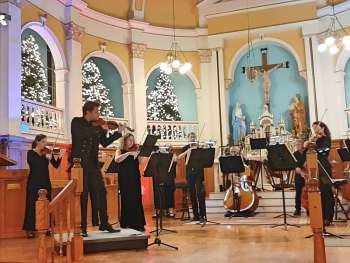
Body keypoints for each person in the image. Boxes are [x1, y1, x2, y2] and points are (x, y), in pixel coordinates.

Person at [71, 101, 124, 237]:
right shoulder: (76, 122)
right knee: (83, 196)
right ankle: (82, 227)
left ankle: (104, 223)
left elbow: (105, 142)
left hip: (93, 165)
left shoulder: (98, 126)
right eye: (96, 111)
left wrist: (117, 133)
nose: (98, 114)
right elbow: (82, 134)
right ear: (88, 112)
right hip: (79, 166)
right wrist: (102, 127)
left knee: (101, 192)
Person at [23, 134, 62, 238]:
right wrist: (44, 156)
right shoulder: (31, 153)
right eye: (44, 142)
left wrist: (58, 156)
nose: (45, 144)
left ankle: (47, 227)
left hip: (45, 182)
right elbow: (33, 163)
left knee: (47, 205)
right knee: (31, 204)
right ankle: (31, 229)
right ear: (37, 142)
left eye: (46, 142)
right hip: (34, 182)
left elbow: (56, 165)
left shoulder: (46, 154)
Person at [305, 121, 335, 226]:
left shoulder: (326, 138)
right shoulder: (316, 140)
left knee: (327, 193)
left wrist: (314, 145)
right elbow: (309, 153)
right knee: (320, 193)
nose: (315, 131)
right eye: (314, 129)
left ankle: (328, 217)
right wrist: (308, 144)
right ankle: (321, 216)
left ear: (322, 128)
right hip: (316, 168)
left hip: (325, 168)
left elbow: (324, 152)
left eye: (317, 128)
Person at [115, 133, 146, 232]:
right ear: (124, 141)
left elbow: (140, 162)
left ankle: (138, 223)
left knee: (136, 199)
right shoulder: (120, 150)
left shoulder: (135, 150)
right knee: (127, 199)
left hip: (135, 177)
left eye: (133, 140)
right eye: (129, 140)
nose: (132, 142)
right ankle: (127, 222)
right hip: (125, 178)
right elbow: (117, 160)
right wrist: (128, 153)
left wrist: (142, 154)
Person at [178, 132, 206, 222]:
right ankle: (196, 216)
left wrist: (201, 148)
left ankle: (203, 215)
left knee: (200, 194)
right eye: (191, 137)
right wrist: (188, 151)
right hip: (190, 173)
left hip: (199, 173)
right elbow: (179, 157)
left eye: (194, 137)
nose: (193, 138)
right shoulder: (185, 148)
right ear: (188, 138)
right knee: (192, 195)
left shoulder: (198, 147)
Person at [293, 139, 307, 216]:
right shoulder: (295, 154)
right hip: (299, 174)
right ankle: (297, 209)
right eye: (296, 145)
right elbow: (296, 167)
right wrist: (301, 172)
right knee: (298, 191)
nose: (297, 146)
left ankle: (309, 208)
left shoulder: (307, 152)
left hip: (308, 174)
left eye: (298, 144)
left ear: (302, 145)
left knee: (309, 191)